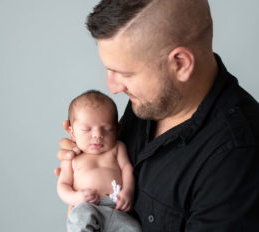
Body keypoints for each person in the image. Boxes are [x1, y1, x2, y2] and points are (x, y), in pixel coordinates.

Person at [56, 0, 259, 231]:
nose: (112, 87)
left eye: (125, 73)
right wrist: (82, 163)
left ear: (180, 64)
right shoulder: (149, 103)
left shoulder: (236, 156)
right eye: (109, 69)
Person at [57, 90, 142, 232]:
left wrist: (128, 192)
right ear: (72, 132)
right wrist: (76, 197)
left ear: (117, 129)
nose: (97, 135)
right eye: (86, 129)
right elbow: (62, 186)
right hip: (87, 205)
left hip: (116, 207)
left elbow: (127, 169)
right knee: (79, 217)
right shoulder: (72, 157)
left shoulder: (117, 148)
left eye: (107, 129)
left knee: (133, 227)